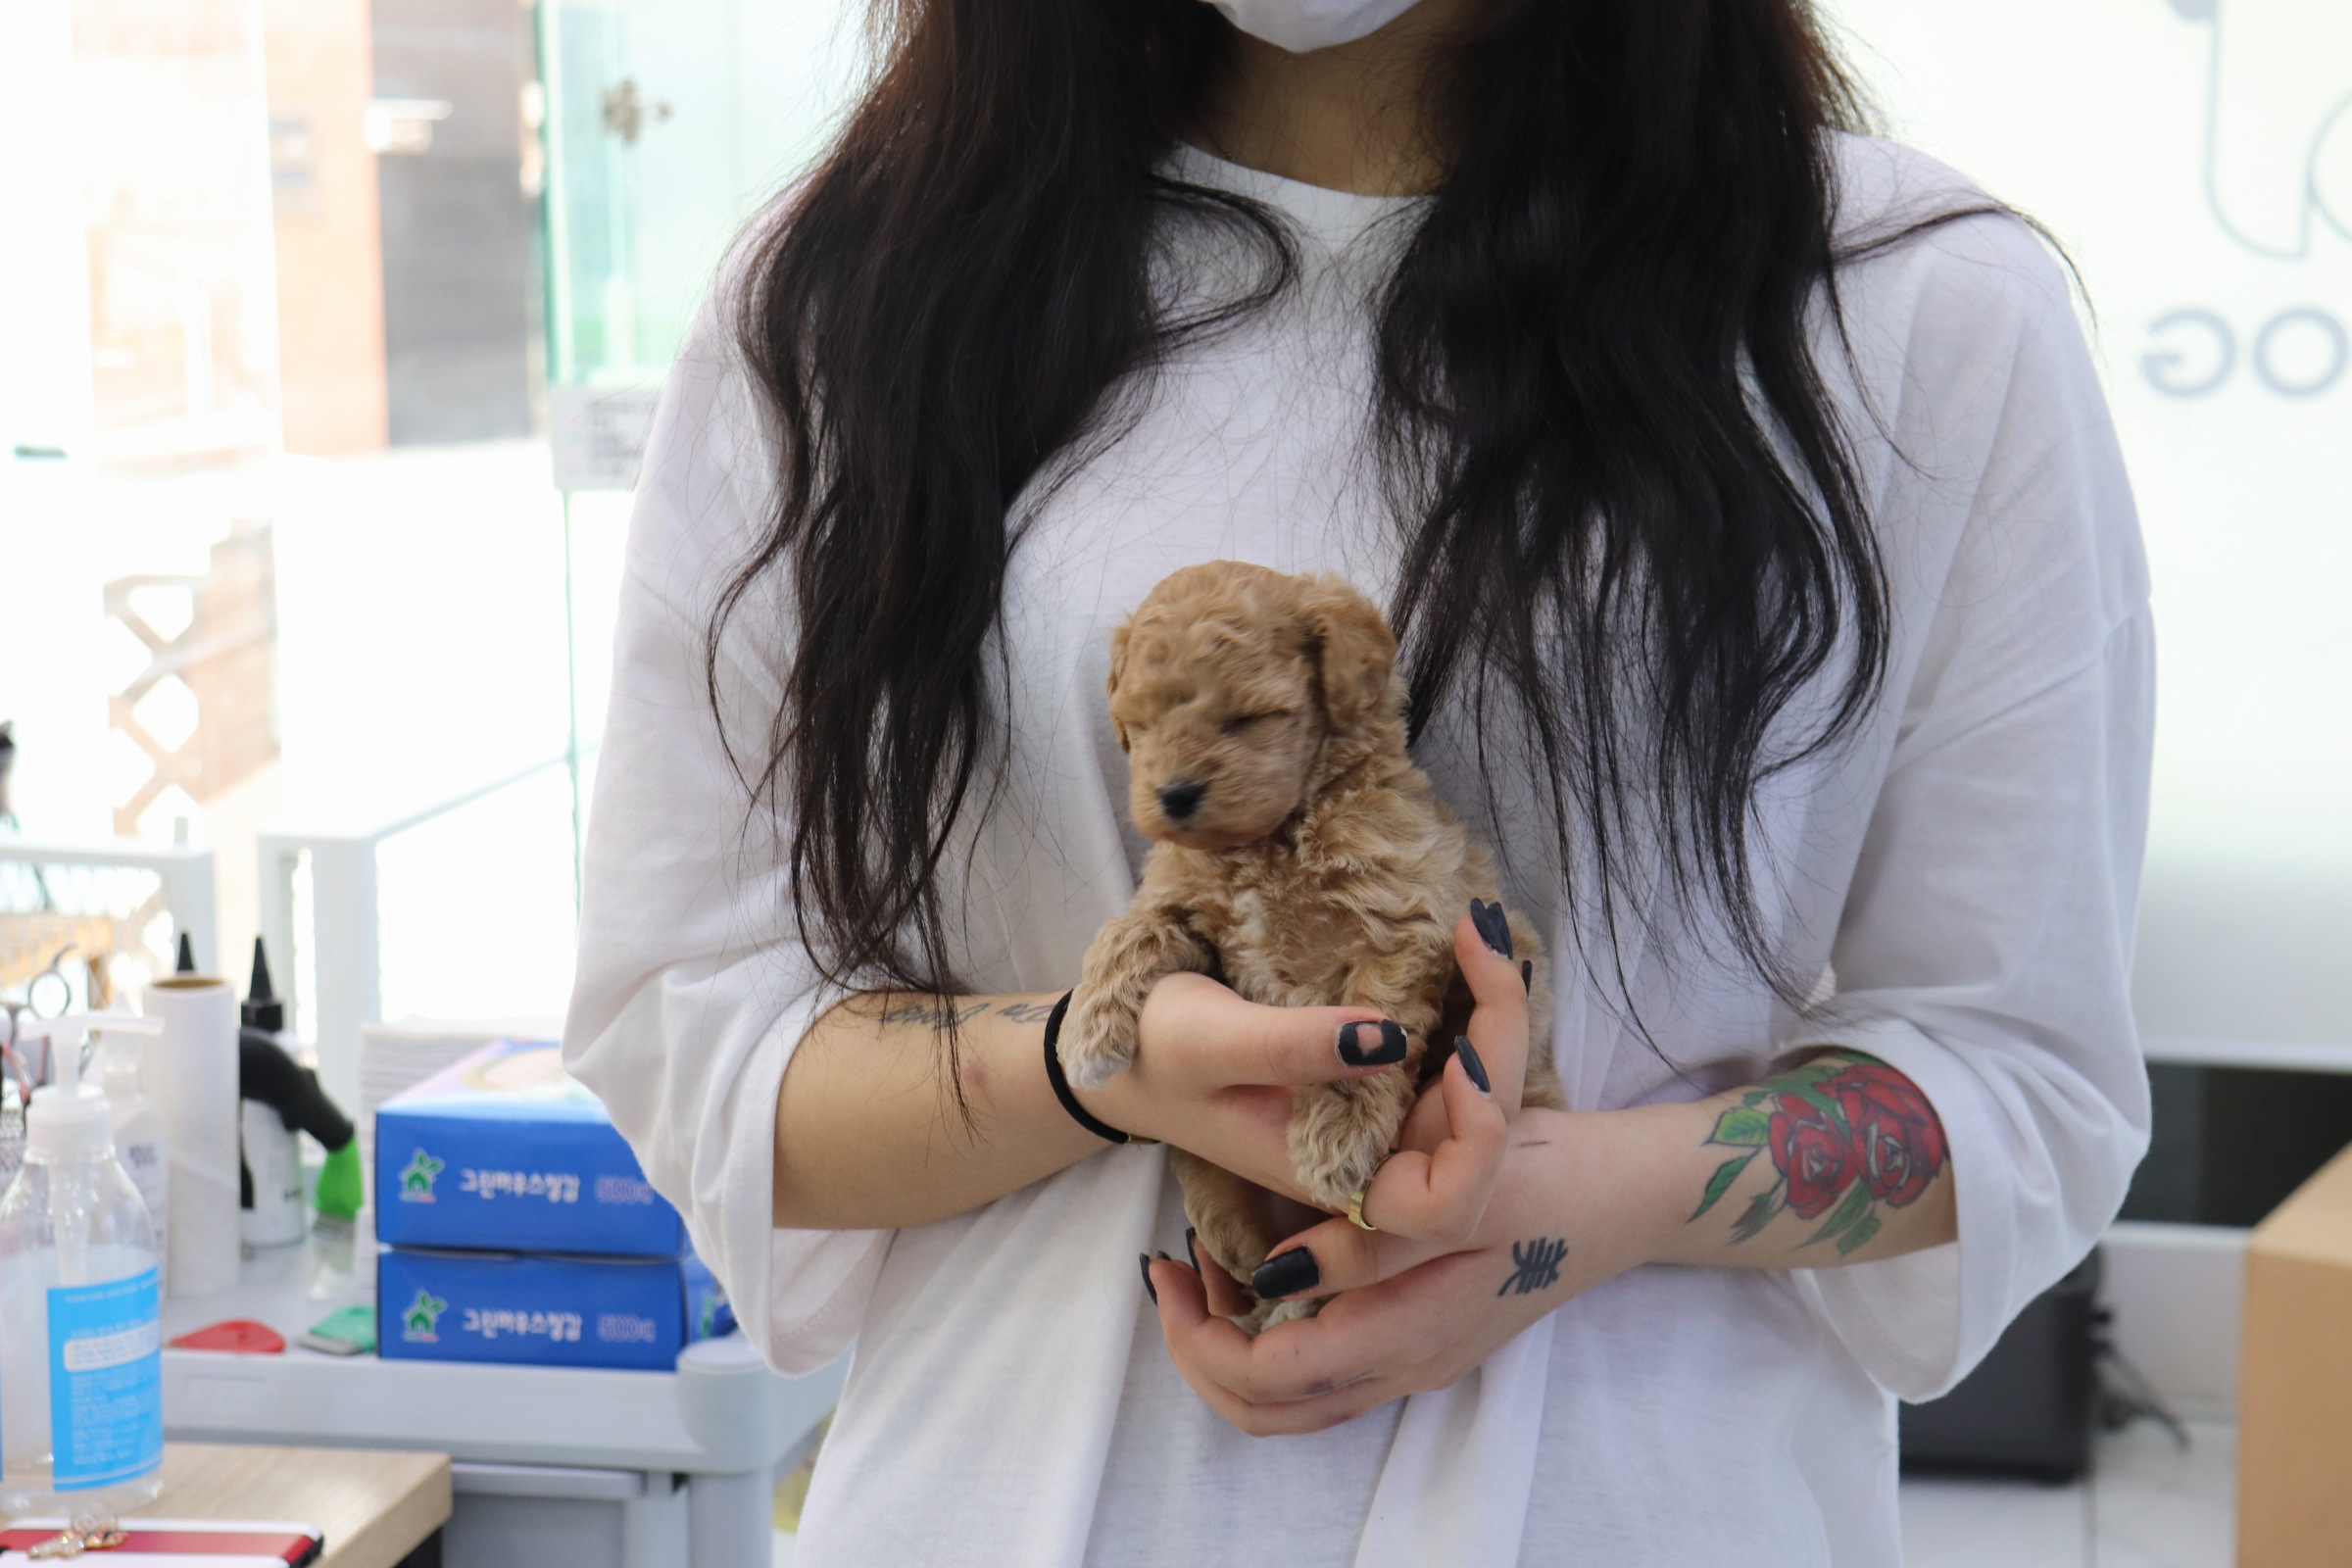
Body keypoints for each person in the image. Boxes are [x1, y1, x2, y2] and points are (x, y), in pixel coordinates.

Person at [563, 0, 2153, 1560]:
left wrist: (1595, 1199)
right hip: (992, 1491)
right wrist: (1094, 1068)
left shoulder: (1906, 302)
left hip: (1637, 1497)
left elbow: (2016, 1072)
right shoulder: (855, 290)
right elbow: (695, 1031)